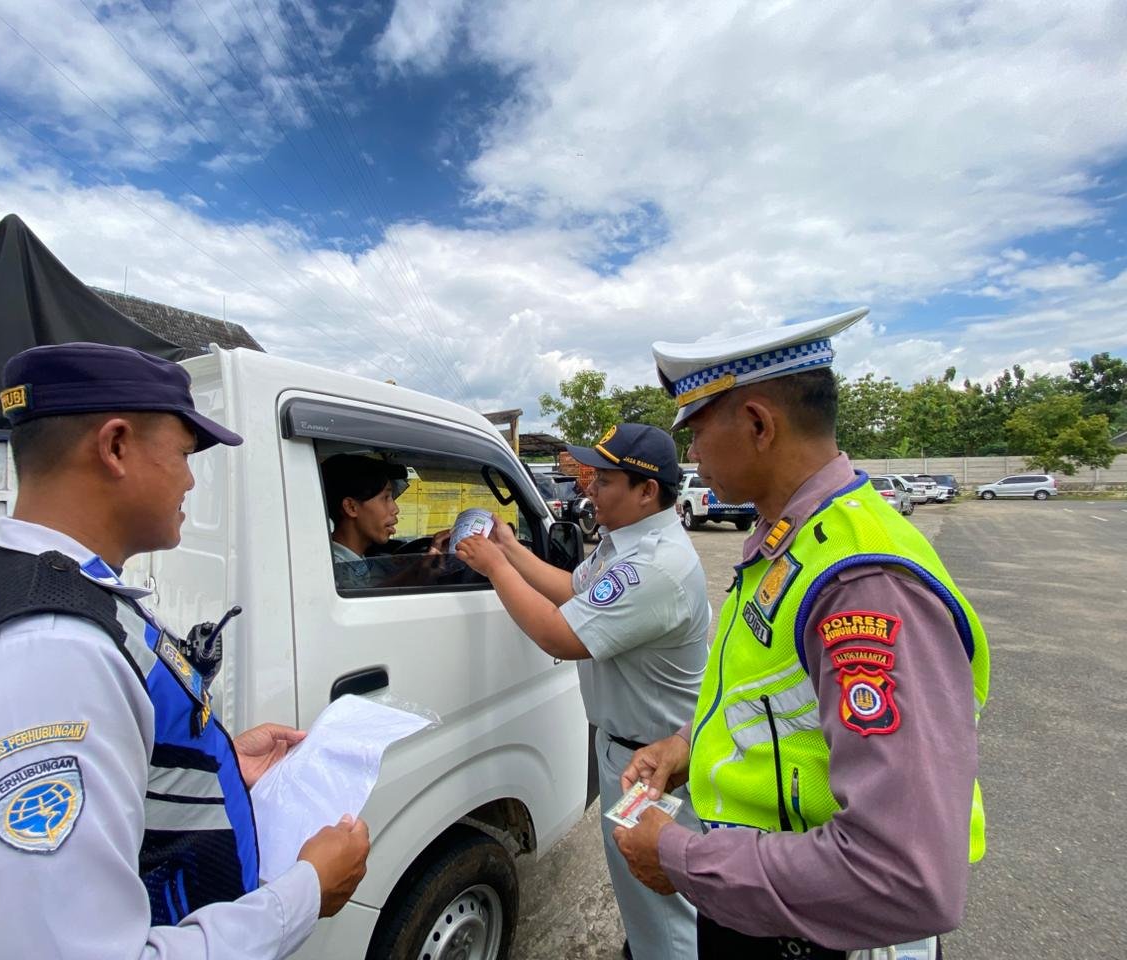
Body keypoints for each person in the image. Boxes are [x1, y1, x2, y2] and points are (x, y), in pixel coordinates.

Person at [0, 343, 370, 960]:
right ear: (115, 446)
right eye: (185, 454)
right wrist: (305, 893)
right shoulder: (41, 658)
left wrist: (204, 771)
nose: (191, 479)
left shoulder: (66, 599)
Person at [614, 309, 990, 959]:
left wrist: (679, 858)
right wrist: (686, 748)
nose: (692, 455)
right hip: (771, 902)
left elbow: (904, 876)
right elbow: (775, 699)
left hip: (822, 935)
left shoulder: (862, 582)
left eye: (697, 431)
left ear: (758, 424)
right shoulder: (789, 539)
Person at [456, 423, 708, 960]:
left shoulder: (654, 566)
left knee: (662, 907)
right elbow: (572, 588)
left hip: (655, 764)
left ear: (647, 490)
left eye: (605, 480)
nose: (590, 487)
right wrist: (509, 548)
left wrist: (495, 566)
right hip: (628, 750)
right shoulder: (627, 543)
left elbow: (560, 634)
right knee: (641, 896)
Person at [320, 452, 449, 589]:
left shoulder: (355, 560)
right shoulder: (332, 572)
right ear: (351, 507)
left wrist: (421, 568)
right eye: (386, 498)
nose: (396, 509)